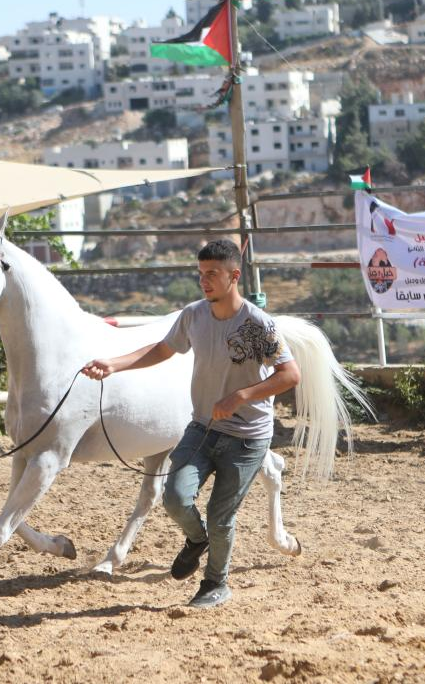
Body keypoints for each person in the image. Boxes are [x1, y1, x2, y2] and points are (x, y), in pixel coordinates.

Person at [82, 240, 301, 609]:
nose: (204, 281)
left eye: (212, 274)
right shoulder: (193, 315)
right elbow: (163, 349)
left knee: (220, 517)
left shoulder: (257, 324)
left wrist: (241, 396)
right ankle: (196, 540)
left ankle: (215, 584)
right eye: (201, 274)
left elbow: (290, 374)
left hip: (246, 438)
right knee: (175, 497)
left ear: (234, 276)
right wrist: (115, 364)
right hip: (202, 428)